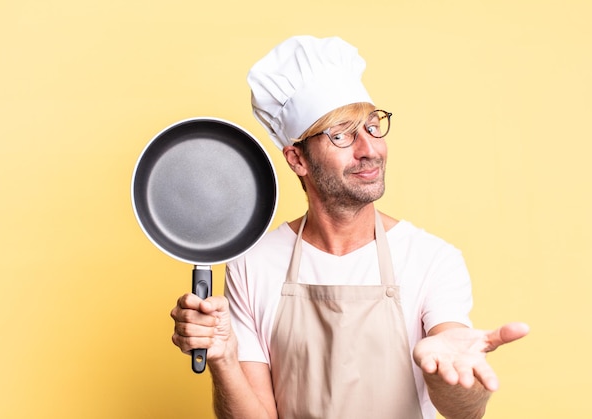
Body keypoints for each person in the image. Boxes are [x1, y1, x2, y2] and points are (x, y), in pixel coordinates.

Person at [171, 35, 529, 419]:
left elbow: (464, 412)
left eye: (374, 128)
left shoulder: (432, 259)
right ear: (297, 160)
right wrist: (223, 358)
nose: (369, 149)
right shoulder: (253, 263)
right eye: (341, 134)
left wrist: (447, 376)